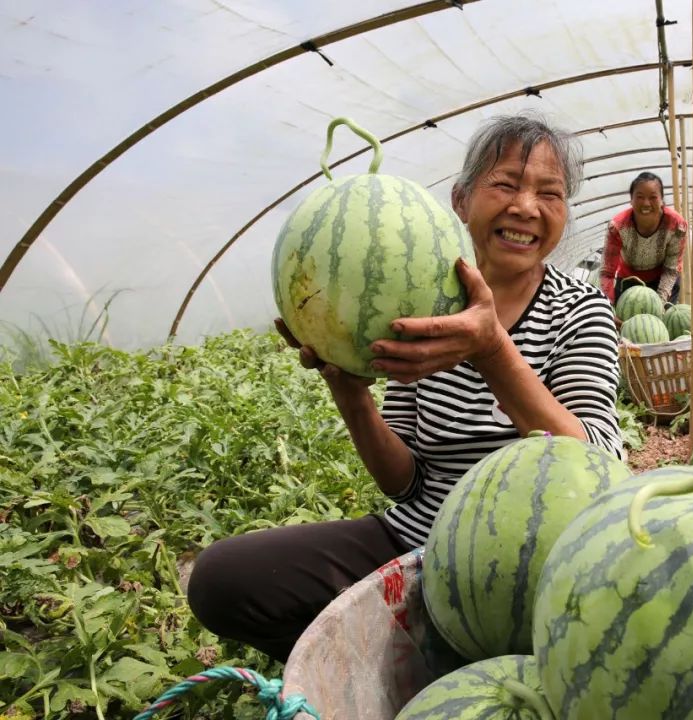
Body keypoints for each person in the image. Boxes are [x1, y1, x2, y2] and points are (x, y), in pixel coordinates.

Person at [186, 114, 623, 663]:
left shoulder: (579, 310)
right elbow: (404, 481)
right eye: (506, 184)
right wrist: (349, 391)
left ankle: (437, 653)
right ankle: (397, 660)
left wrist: (491, 350)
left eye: (549, 194)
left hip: (532, 566)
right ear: (461, 201)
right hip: (418, 544)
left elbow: (598, 461)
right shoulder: (417, 297)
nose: (526, 208)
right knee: (226, 579)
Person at [599, 171, 688, 308]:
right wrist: (608, 305)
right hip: (629, 279)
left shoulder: (676, 225)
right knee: (627, 324)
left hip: (662, 279)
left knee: (661, 323)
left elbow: (671, 269)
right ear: (631, 200)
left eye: (653, 197)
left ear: (661, 200)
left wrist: (659, 304)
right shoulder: (617, 226)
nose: (646, 203)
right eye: (640, 197)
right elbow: (607, 272)